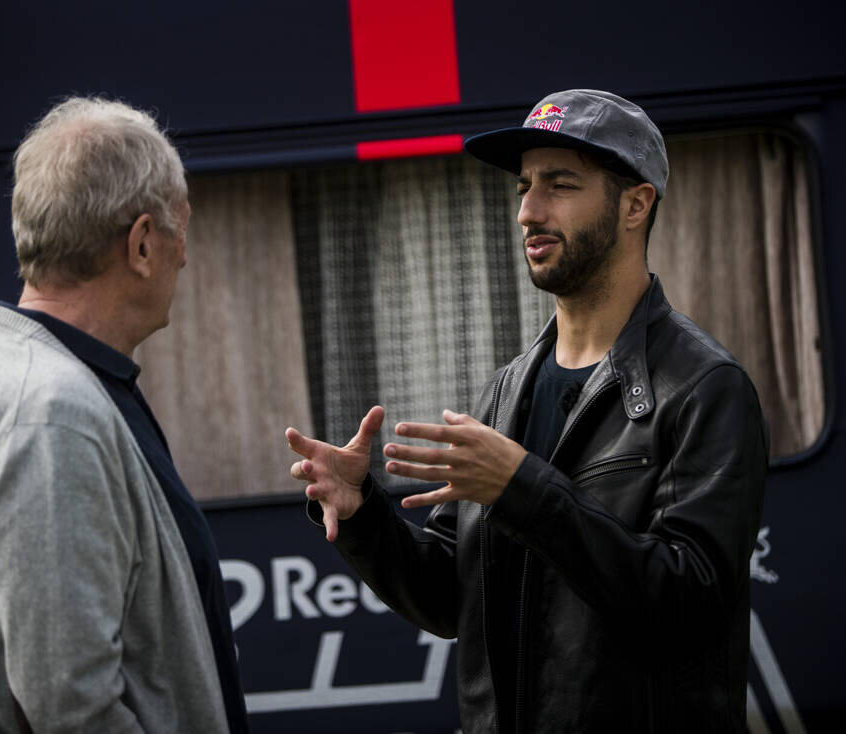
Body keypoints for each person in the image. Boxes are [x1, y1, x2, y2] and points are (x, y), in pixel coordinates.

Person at [287, 89, 768, 733]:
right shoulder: (506, 390)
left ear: (635, 204)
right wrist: (361, 516)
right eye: (522, 188)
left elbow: (686, 605)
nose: (528, 212)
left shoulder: (704, 387)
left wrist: (523, 489)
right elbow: (451, 603)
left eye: (560, 185)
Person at [0, 97, 249, 733]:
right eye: (182, 233)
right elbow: (72, 706)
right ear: (143, 244)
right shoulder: (47, 415)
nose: (186, 258)